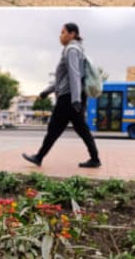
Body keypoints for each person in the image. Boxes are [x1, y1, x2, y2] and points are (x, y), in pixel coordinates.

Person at [23, 23, 100, 168]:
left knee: (55, 128)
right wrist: (48, 91)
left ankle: (39, 157)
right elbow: (64, 78)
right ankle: (95, 159)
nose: (60, 35)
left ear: (72, 34)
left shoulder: (71, 49)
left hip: (69, 98)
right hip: (72, 96)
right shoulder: (76, 49)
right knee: (81, 129)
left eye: (63, 32)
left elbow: (74, 74)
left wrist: (75, 99)